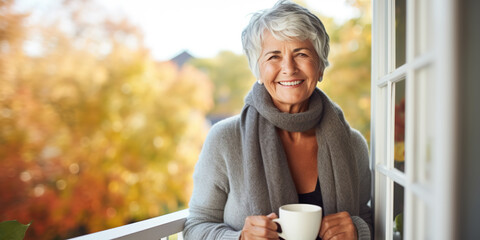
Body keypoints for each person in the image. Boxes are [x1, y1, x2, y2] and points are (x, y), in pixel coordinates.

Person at [183, 0, 373, 239]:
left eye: (301, 53)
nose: (288, 68)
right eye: (273, 56)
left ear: (321, 67)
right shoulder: (225, 139)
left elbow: (366, 216)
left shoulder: (352, 144)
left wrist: (358, 230)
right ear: (258, 70)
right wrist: (239, 237)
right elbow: (195, 227)